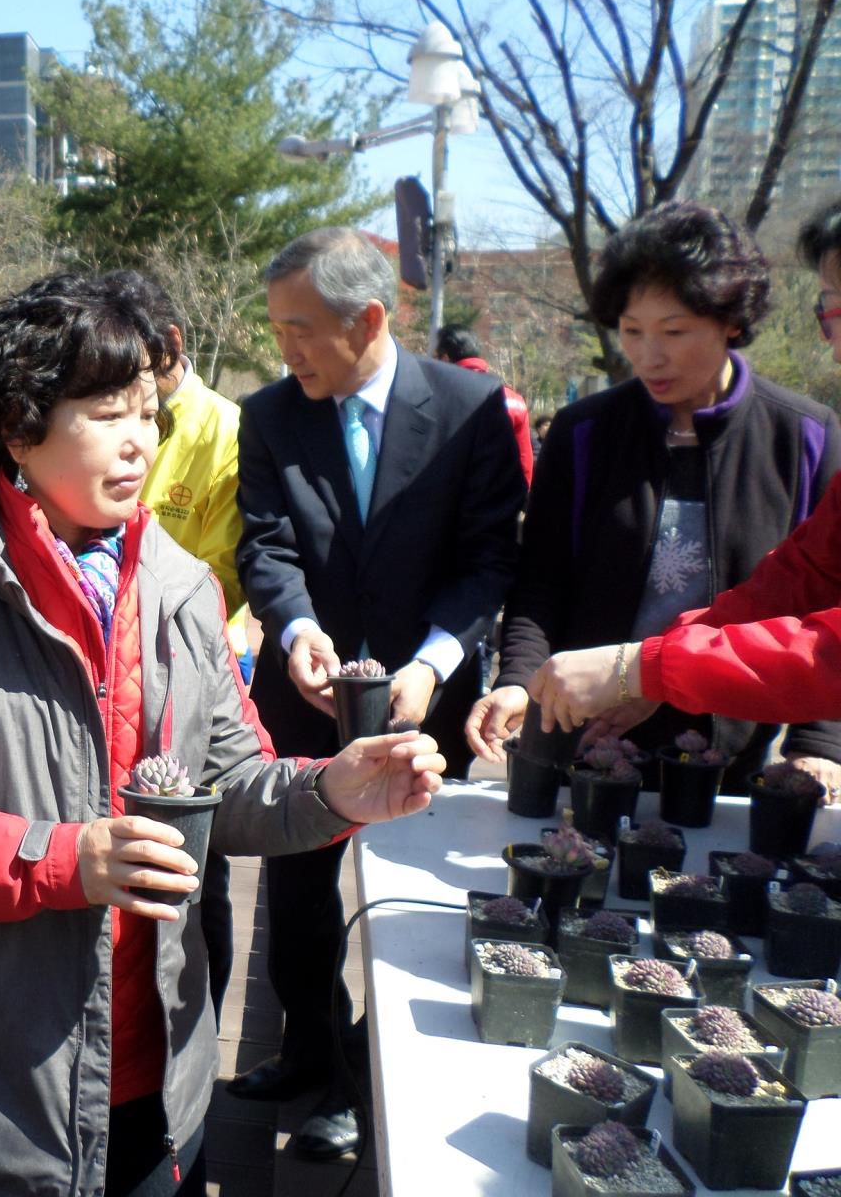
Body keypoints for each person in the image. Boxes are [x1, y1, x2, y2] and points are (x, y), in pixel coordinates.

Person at [0, 274, 445, 1197]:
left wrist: (332, 792)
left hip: (154, 1060)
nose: (141, 437)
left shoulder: (181, 585)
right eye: (108, 412)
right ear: (20, 428)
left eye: (149, 407)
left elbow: (228, 782)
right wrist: (61, 859)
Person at [233, 228, 523, 1157]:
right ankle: (313, 1054)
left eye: (300, 329)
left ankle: (375, 1079)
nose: (287, 349)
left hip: (425, 702)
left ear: (368, 318)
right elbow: (267, 546)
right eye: (276, 328)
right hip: (307, 705)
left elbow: (489, 560)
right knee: (303, 894)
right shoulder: (271, 414)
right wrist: (295, 629)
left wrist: (433, 662)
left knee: (415, 900)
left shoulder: (472, 408)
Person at [466, 200, 841, 789]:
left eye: (673, 332)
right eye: (632, 332)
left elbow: (819, 611)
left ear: (731, 321)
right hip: (584, 728)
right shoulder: (584, 431)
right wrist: (523, 677)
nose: (649, 356)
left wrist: (819, 744)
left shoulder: (806, 435)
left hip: (730, 746)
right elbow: (540, 580)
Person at [98, 269, 248, 1016]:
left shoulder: (227, 431)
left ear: (172, 348)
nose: (137, 441)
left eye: (147, 410)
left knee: (196, 871)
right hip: (98, 660)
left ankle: (198, 1027)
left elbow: (224, 573)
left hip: (180, 665)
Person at [434, 324, 536, 490]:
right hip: (502, 500)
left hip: (453, 500)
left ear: (445, 358)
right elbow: (524, 460)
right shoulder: (514, 399)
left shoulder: (441, 395)